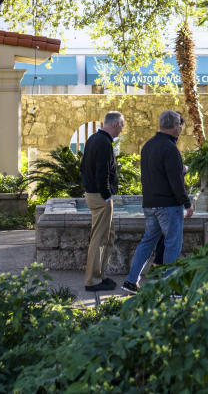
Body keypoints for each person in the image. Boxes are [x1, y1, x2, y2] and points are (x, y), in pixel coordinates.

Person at [122, 110, 193, 293]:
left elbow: (154, 174)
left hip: (150, 203)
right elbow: (175, 182)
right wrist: (187, 203)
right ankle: (171, 287)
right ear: (174, 126)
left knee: (147, 243)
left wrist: (179, 170)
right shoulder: (170, 148)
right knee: (172, 245)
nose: (180, 128)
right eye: (179, 125)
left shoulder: (148, 146)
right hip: (168, 205)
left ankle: (131, 281)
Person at [80, 111, 124, 292]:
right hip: (100, 196)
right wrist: (107, 195)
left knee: (108, 235)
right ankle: (92, 280)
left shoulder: (93, 139)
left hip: (94, 194)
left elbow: (83, 167)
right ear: (114, 125)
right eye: (121, 126)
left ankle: (99, 275)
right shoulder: (104, 143)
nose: (121, 129)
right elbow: (102, 173)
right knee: (99, 238)